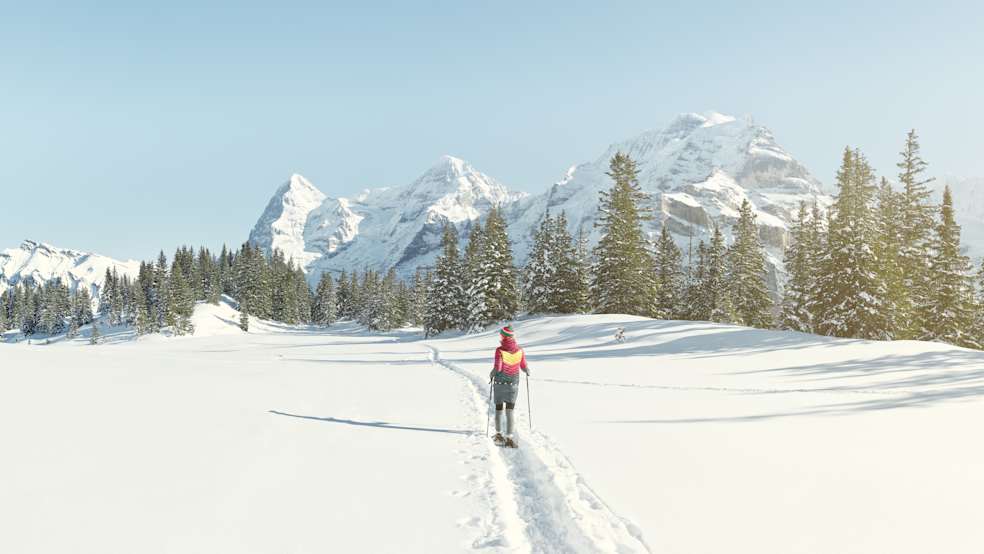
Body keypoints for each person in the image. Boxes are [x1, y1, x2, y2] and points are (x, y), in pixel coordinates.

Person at [489, 325, 530, 448]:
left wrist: (492, 374)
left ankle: (498, 435)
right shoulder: (520, 350)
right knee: (510, 411)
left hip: (500, 384)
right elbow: (523, 366)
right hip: (513, 384)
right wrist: (527, 370)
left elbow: (498, 368)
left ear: (503, 336)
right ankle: (509, 438)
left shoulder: (499, 350)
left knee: (498, 410)